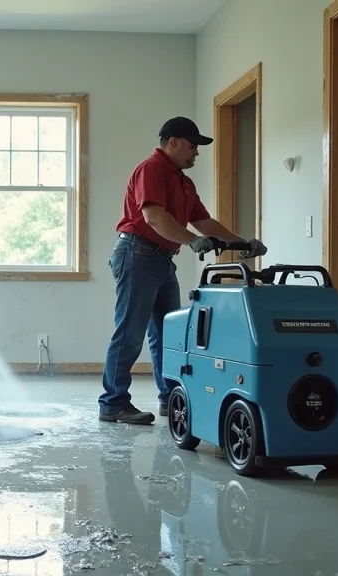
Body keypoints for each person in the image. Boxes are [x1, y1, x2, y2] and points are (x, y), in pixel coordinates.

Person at [98, 116, 267, 425]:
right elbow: (153, 218)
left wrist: (241, 241)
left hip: (161, 259)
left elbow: (204, 223)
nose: (196, 153)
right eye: (193, 146)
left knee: (169, 335)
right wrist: (192, 241)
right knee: (130, 332)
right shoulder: (151, 169)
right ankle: (112, 403)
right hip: (137, 254)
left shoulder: (183, 181)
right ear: (173, 142)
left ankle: (170, 400)